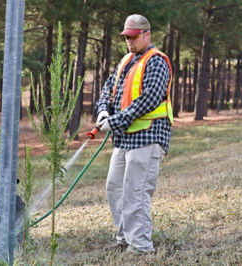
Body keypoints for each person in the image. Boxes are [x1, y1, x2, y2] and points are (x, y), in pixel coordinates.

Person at [96, 14, 173, 254]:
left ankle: (140, 246)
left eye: (133, 36)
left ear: (146, 34)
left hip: (148, 136)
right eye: (126, 37)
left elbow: (149, 99)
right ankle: (124, 239)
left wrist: (115, 120)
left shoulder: (157, 61)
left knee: (135, 191)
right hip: (125, 137)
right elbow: (109, 87)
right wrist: (102, 111)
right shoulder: (127, 60)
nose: (129, 41)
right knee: (114, 187)